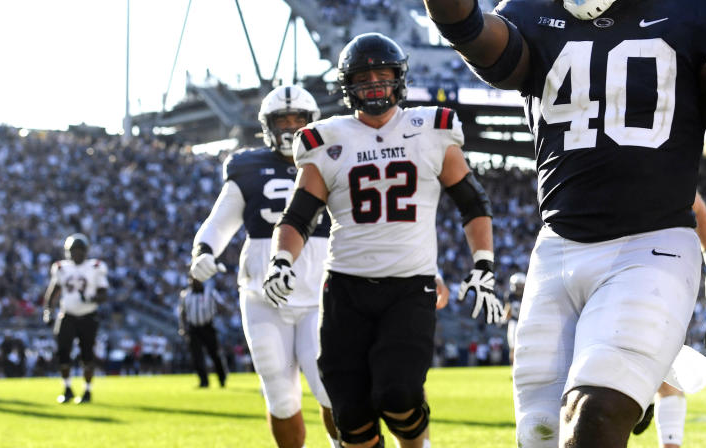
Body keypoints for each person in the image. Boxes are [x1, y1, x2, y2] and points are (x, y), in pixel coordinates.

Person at [385, 0, 706, 448]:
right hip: (554, 254)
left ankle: (627, 390)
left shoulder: (697, 13)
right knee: (539, 433)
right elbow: (478, 37)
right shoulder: (535, 16)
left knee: (593, 421)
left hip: (651, 247)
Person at [263, 32, 503, 448]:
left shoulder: (432, 128)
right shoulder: (326, 139)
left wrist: (483, 264)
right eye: (364, 75)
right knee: (350, 417)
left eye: (382, 73)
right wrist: (281, 259)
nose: (374, 82)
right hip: (346, 290)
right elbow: (299, 215)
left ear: (399, 78)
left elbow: (473, 203)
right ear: (348, 85)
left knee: (398, 394)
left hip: (409, 288)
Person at [189, 84, 341, 448]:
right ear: (266, 125)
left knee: (329, 386)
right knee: (278, 389)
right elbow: (220, 220)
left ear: (312, 121)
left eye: (297, 119)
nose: (290, 127)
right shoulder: (247, 166)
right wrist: (204, 251)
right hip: (262, 295)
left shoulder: (333, 160)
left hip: (320, 293)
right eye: (282, 120)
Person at [636, 191, 706, 447]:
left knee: (669, 373)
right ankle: (642, 399)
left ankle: (658, 421)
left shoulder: (659, 161)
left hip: (662, 272)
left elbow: (693, 200)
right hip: (604, 271)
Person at [42, 233, 109, 404]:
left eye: (80, 250)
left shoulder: (95, 267)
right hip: (68, 314)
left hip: (88, 315)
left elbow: (103, 294)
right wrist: (48, 311)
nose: (76, 254)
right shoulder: (61, 268)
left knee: (87, 355)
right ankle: (67, 388)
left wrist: (91, 299)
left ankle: (87, 390)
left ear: (86, 251)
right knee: (63, 352)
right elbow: (53, 292)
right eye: (74, 250)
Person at [178, 276, 229, 388]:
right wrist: (183, 327)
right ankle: (203, 381)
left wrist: (218, 312)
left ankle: (222, 378)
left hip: (208, 326)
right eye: (191, 280)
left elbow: (222, 306)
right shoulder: (186, 295)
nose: (193, 282)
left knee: (215, 354)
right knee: (197, 356)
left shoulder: (210, 292)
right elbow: (182, 312)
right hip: (193, 328)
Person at [502, 272, 526, 365]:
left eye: (520, 285)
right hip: (514, 322)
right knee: (513, 347)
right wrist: (504, 318)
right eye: (517, 285)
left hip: (525, 322)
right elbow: (508, 308)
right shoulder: (510, 296)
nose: (518, 288)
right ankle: (513, 369)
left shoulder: (528, 294)